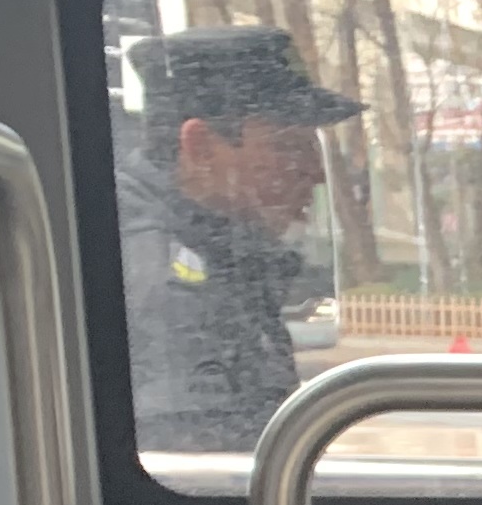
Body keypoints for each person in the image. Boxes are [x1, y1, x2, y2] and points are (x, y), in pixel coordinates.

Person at [116, 25, 360, 456]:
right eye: (288, 146)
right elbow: (199, 474)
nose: (316, 172)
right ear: (201, 147)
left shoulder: (223, 251)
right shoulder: (163, 285)